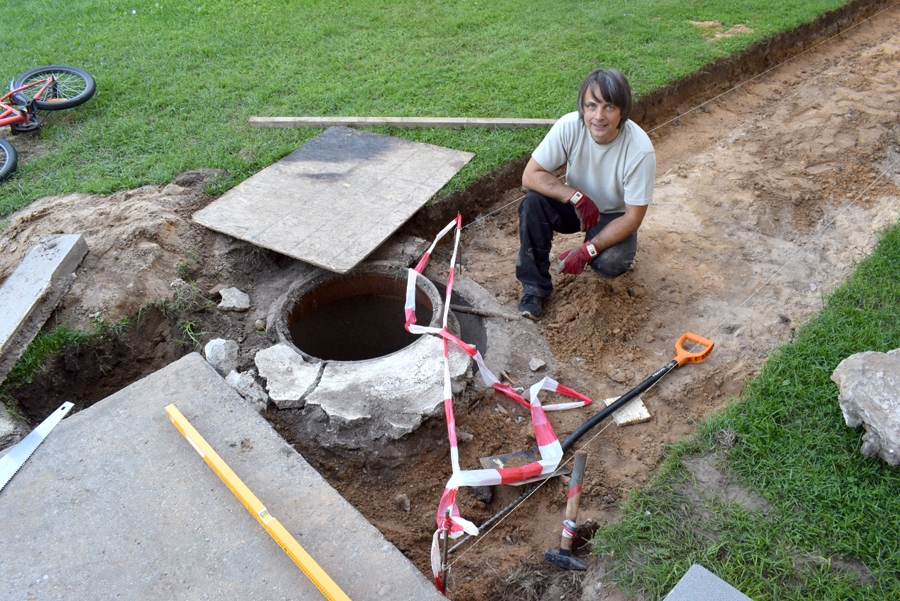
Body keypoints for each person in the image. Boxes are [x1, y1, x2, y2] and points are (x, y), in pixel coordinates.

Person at [516, 68, 656, 320]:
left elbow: (633, 217)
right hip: (576, 208)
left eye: (609, 107)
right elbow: (530, 175)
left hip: (614, 216)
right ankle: (534, 288)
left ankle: (596, 248)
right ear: (582, 108)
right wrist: (575, 197)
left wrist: (587, 251)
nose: (598, 116)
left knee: (611, 264)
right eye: (591, 106)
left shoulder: (639, 150)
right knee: (532, 203)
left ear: (623, 111)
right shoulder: (569, 126)